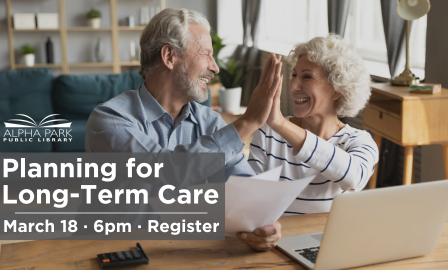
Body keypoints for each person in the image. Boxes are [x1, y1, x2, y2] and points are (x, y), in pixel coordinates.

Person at [85, 8, 282, 251]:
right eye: (206, 54)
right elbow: (165, 172)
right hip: (115, 250)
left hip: (182, 250)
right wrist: (247, 122)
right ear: (169, 56)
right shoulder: (109, 119)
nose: (215, 67)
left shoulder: (210, 122)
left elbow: (243, 188)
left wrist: (261, 222)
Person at [249, 34, 379, 215]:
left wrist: (280, 123)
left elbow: (353, 178)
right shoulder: (269, 133)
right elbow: (250, 199)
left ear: (337, 89)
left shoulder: (359, 142)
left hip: (329, 241)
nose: (293, 85)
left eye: (307, 77)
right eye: (294, 75)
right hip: (276, 239)